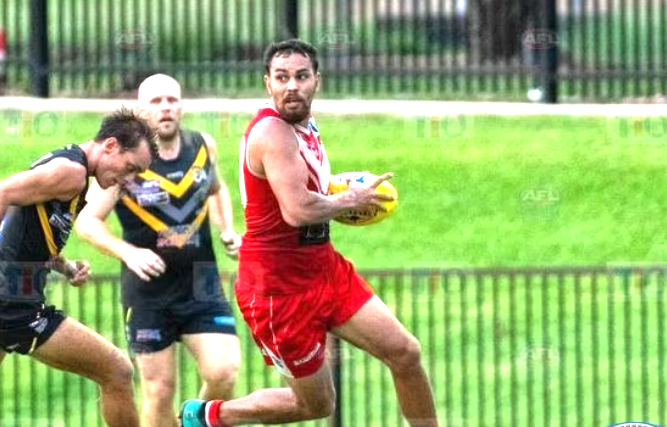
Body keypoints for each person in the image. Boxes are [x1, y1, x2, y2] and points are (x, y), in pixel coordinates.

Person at [180, 39, 439, 426]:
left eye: (301, 77)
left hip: (324, 269)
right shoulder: (273, 132)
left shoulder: (306, 125)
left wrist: (338, 187)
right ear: (267, 83)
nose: (292, 86)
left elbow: (305, 188)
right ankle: (209, 416)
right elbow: (298, 210)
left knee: (405, 352)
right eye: (281, 77)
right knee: (316, 405)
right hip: (278, 290)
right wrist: (351, 199)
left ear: (317, 80)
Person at [76, 74, 242, 427]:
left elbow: (216, 189)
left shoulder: (203, 145)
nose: (165, 107)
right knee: (160, 389)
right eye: (155, 101)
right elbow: (87, 221)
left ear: (182, 105)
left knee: (224, 372)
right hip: (148, 293)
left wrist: (227, 229)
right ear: (140, 110)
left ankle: (191, 422)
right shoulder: (125, 162)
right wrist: (127, 252)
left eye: (171, 99)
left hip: (202, 283)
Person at [0, 107, 157, 427]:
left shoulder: (74, 175)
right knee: (117, 371)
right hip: (14, 303)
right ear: (110, 145)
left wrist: (66, 266)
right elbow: (1, 193)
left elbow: (25, 234)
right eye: (130, 168)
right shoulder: (71, 172)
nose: (128, 181)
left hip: (12, 298)